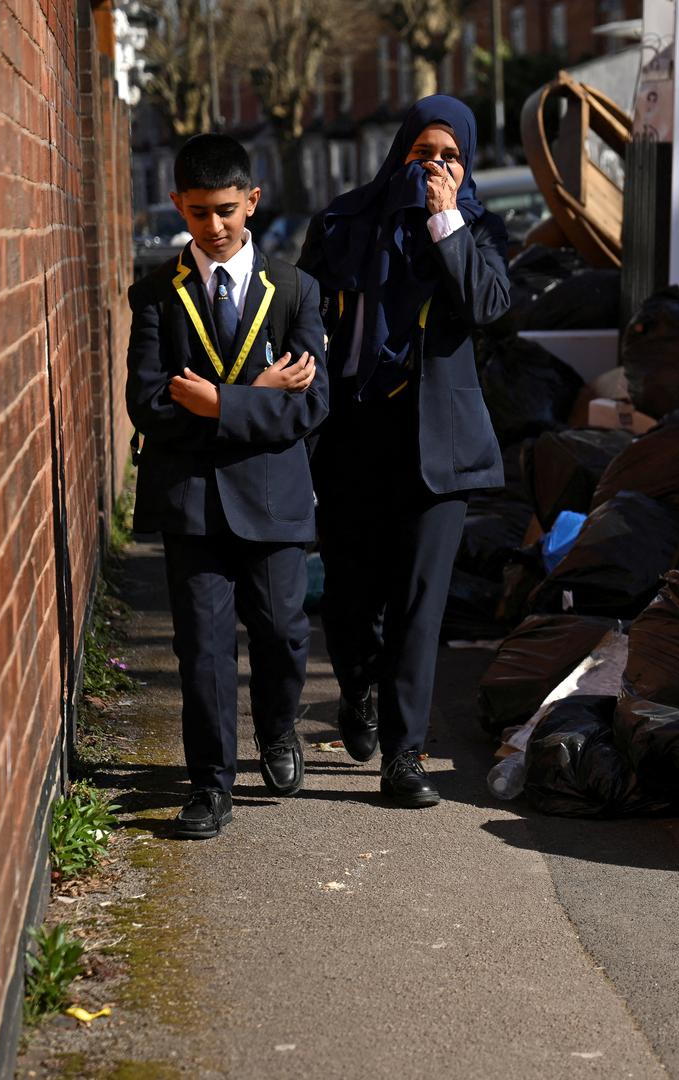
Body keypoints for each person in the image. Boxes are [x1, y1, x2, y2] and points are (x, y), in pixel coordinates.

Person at [298, 95, 511, 807]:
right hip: (355, 432)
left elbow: (486, 307)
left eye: (451, 157)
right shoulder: (342, 222)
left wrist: (445, 221)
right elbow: (303, 313)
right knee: (352, 600)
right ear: (400, 153)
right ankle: (356, 691)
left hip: (438, 444)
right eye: (424, 155)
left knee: (420, 604)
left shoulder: (478, 231)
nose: (436, 169)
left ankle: (404, 757)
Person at [126, 133, 329, 839]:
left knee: (282, 630)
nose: (214, 227)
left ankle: (278, 732)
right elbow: (149, 404)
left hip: (273, 497)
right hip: (193, 501)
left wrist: (216, 402)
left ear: (253, 200)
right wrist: (253, 397)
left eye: (226, 210)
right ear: (178, 205)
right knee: (204, 648)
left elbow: (310, 405)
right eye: (198, 212)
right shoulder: (155, 293)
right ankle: (210, 784)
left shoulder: (295, 290)